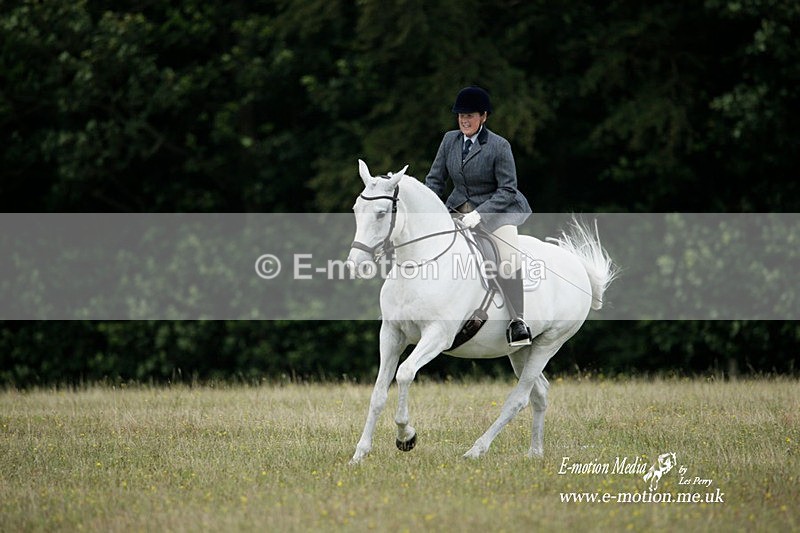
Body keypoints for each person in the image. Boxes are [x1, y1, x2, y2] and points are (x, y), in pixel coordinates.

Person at [425, 86, 533, 346]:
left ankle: (517, 321)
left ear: (483, 116)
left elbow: (508, 189)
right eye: (461, 115)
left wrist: (480, 215)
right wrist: (426, 210)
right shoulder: (449, 140)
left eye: (470, 115)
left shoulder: (499, 146)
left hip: (498, 210)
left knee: (507, 257)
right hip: (458, 207)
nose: (464, 120)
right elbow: (435, 180)